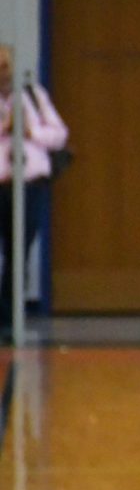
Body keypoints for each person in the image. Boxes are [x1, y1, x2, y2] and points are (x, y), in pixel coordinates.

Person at [0, 43, 69, 324]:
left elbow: (59, 134)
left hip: (29, 184)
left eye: (5, 66)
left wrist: (30, 131)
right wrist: (5, 127)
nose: (2, 73)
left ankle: (8, 317)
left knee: (19, 250)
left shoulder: (32, 95)